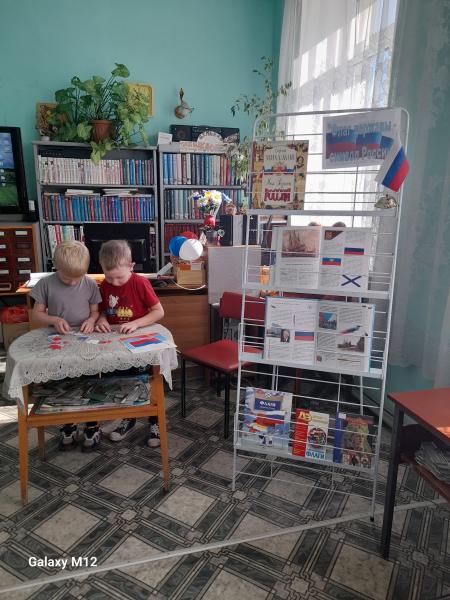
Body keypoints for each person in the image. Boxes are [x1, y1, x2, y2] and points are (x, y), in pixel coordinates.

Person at [31, 240, 102, 449]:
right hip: (59, 340)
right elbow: (36, 314)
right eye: (66, 278)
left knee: (89, 380)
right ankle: (68, 423)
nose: (72, 283)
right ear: (56, 267)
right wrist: (53, 319)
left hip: (84, 339)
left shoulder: (89, 284)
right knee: (63, 382)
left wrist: (91, 321)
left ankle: (92, 424)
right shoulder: (46, 283)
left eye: (77, 277)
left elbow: (95, 311)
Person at [95, 240, 164, 447]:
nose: (114, 283)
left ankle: (155, 422)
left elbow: (158, 312)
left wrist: (135, 323)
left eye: (119, 277)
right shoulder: (104, 285)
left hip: (139, 342)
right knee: (121, 384)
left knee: (146, 383)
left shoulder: (140, 283)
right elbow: (102, 311)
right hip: (116, 344)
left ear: (131, 266)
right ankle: (128, 418)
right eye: (109, 277)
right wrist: (102, 319)